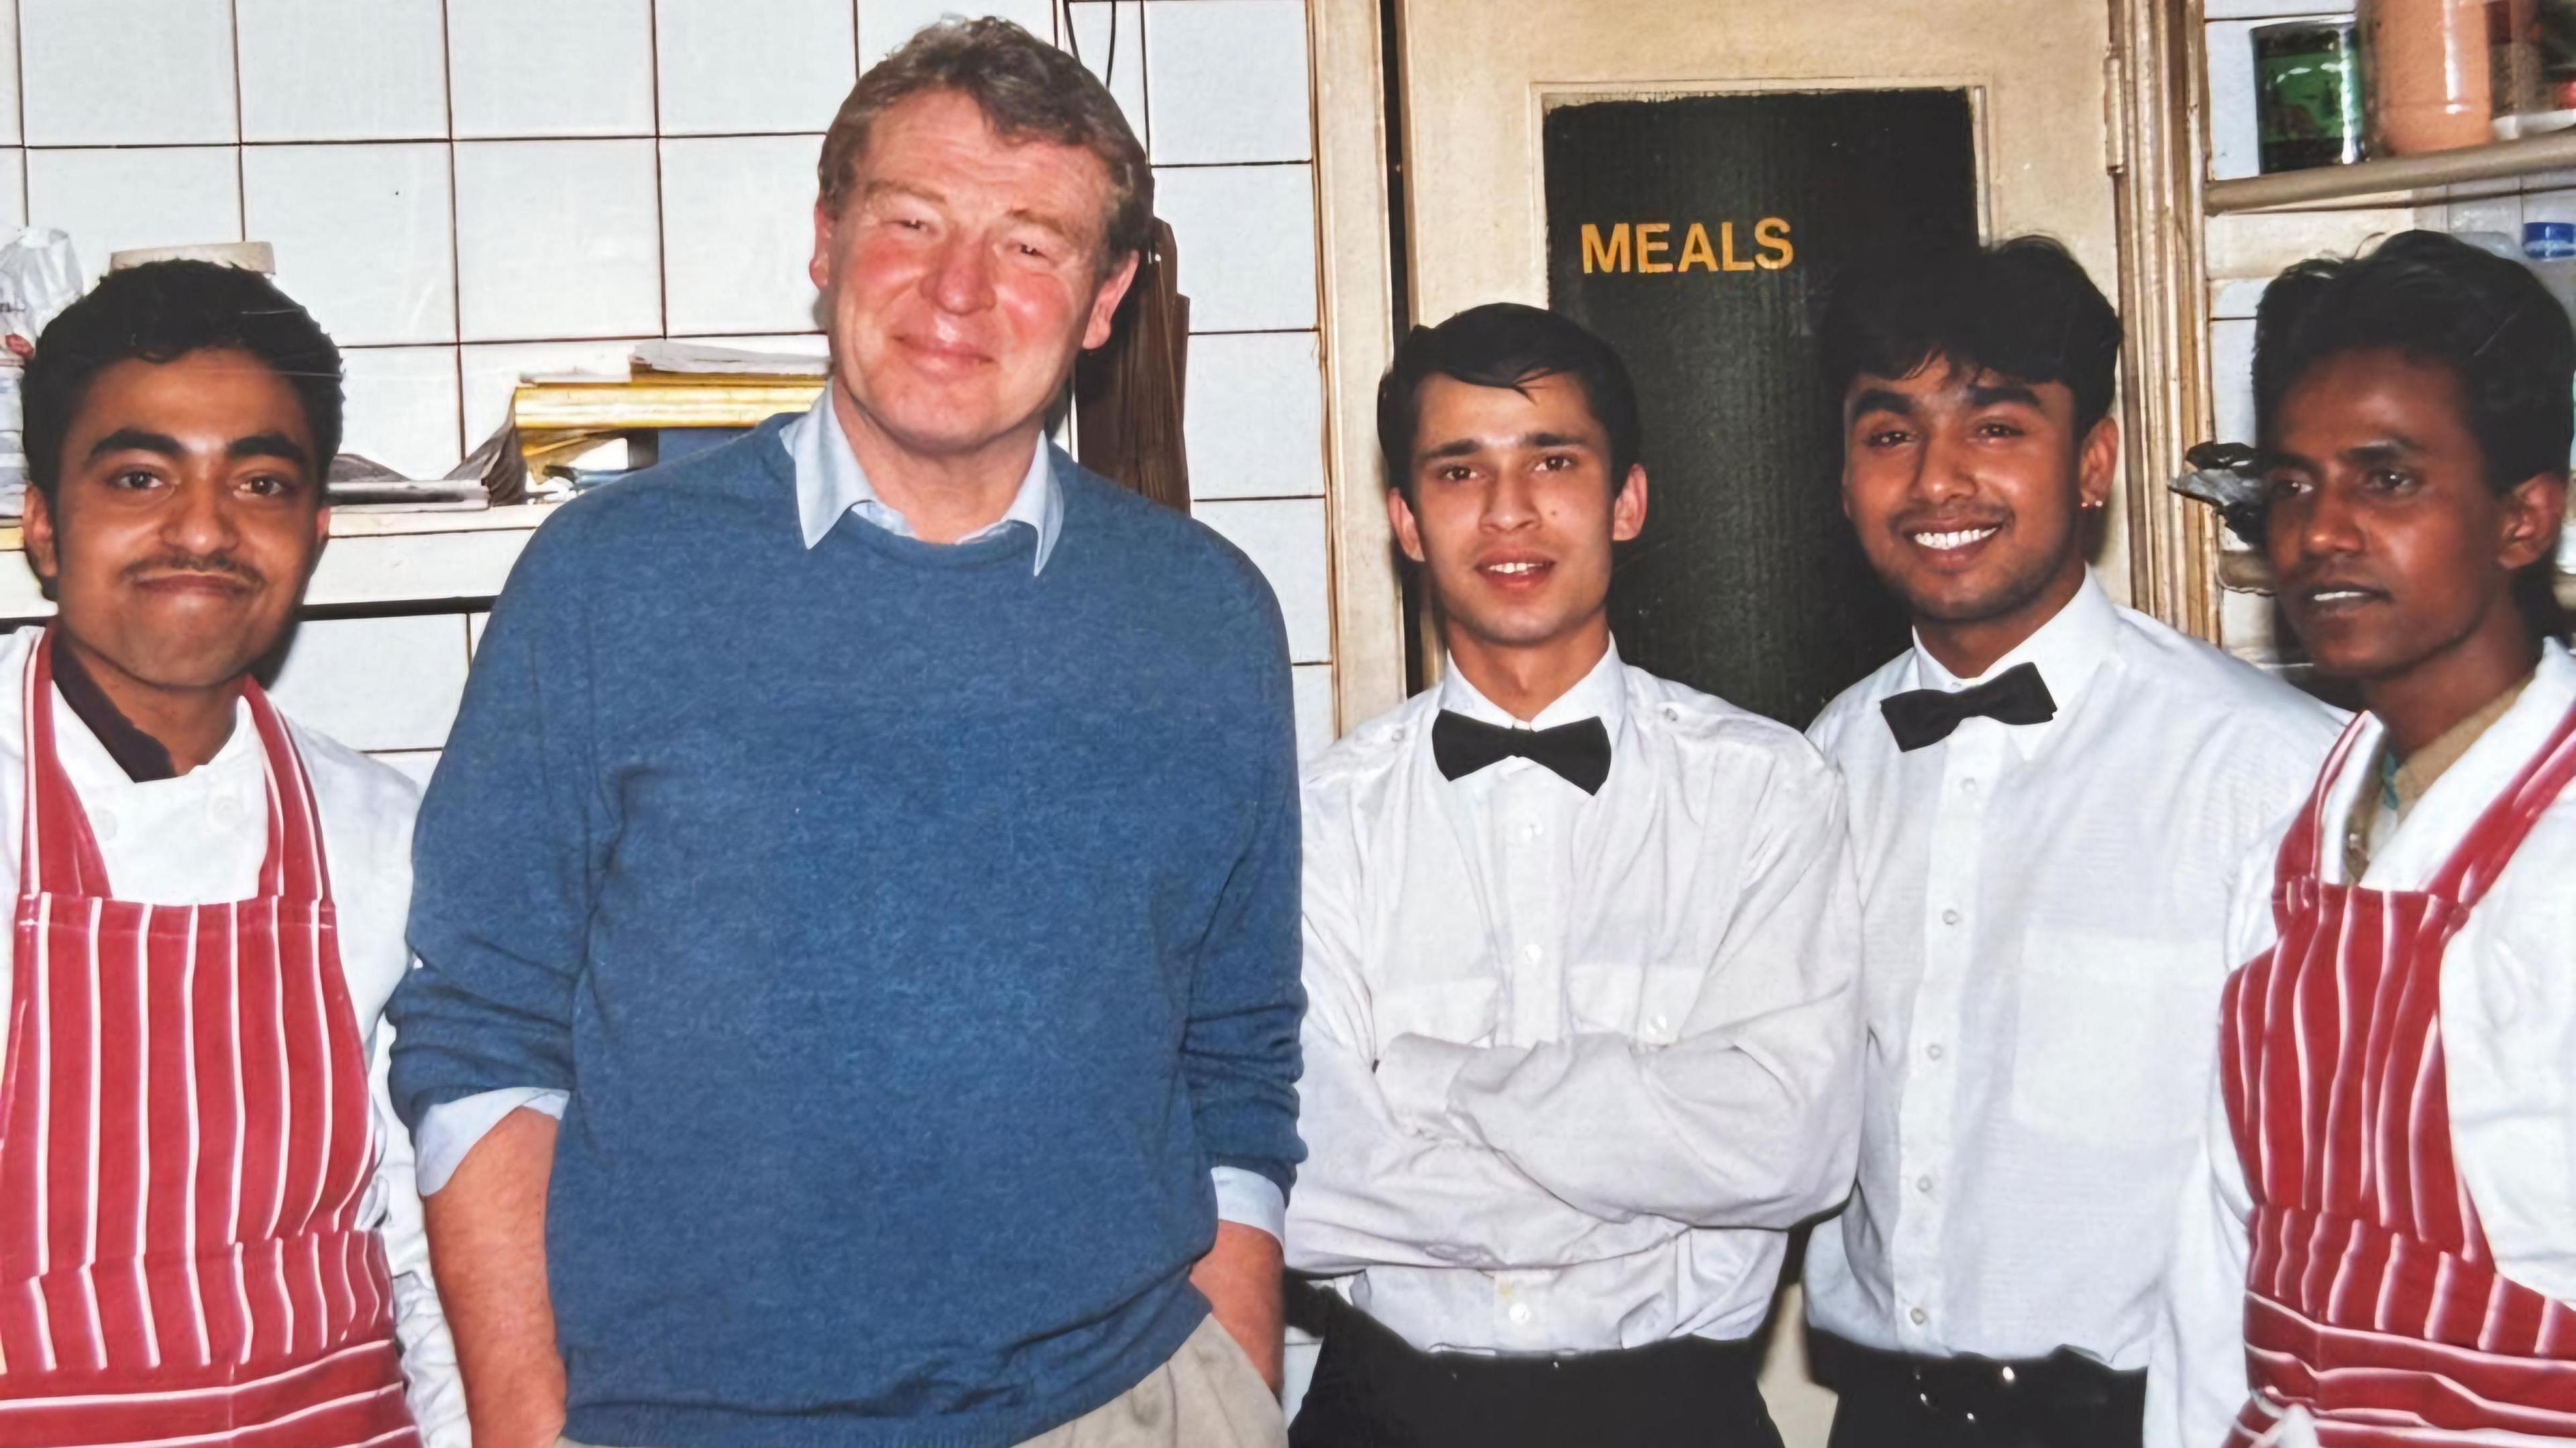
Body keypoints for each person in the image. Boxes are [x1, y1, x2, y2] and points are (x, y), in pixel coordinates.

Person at [386, 19, 1303, 1448]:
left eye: (1031, 244)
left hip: (1124, 1404)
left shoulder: (1204, 616)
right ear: (826, 240)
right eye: (912, 222)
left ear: (1108, 295)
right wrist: (522, 1422)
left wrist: (1231, 1390)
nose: (958, 291)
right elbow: (479, 1031)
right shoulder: (610, 580)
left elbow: (1239, 1055)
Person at [1282, 302, 1864, 1448]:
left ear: (1627, 499)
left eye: (1554, 460)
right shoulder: (1317, 818)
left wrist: (1437, 1084)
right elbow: (1309, 1185)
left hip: (1673, 1414)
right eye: (1459, 471)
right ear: (1405, 520)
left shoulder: (1767, 791)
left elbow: (1788, 1146)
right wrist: (1650, 1194)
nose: (1509, 512)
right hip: (1384, 1415)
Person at [1799, 238, 2340, 1448]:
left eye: (1995, 428)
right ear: (1843, 477)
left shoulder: (2272, 771)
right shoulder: (1822, 765)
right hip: (1883, 1420)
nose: (1938, 481)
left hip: (2158, 1422)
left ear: (2094, 463)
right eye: (1890, 434)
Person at [0, 260, 463, 1445]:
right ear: (44, 521)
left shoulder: (386, 835)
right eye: (141, 476)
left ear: (316, 531)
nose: (202, 529)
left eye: (258, 481)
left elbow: (429, 1260)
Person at [2149, 230, 2576, 1448]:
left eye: (2386, 479)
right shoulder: (2297, 845)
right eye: (2291, 485)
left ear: (2521, 518)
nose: (2319, 532)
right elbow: (2217, 1259)